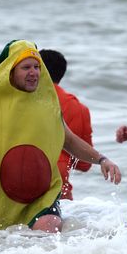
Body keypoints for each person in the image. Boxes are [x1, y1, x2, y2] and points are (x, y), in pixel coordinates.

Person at [0, 40, 121, 233]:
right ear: (10, 70)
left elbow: (68, 140)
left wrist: (102, 160)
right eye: (26, 67)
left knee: (50, 228)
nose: (34, 72)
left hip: (42, 196)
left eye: (37, 67)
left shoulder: (47, 104)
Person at [39, 49, 93, 200]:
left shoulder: (21, 100)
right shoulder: (79, 108)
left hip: (23, 190)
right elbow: (84, 164)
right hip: (62, 195)